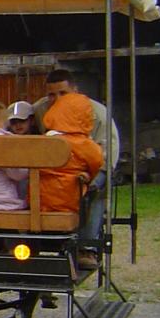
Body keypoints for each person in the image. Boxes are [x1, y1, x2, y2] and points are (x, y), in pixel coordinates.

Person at [32, 69, 119, 255]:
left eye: (63, 93)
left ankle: (87, 247)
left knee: (96, 192)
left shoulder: (98, 113)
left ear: (75, 91)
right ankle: (35, 240)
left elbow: (106, 157)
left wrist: (91, 179)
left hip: (87, 172)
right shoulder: (40, 109)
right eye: (51, 94)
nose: (58, 99)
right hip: (51, 173)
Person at [38, 92, 104, 270]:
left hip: (40, 203)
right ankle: (86, 249)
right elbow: (97, 165)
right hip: (70, 205)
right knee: (98, 194)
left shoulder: (44, 141)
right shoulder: (86, 146)